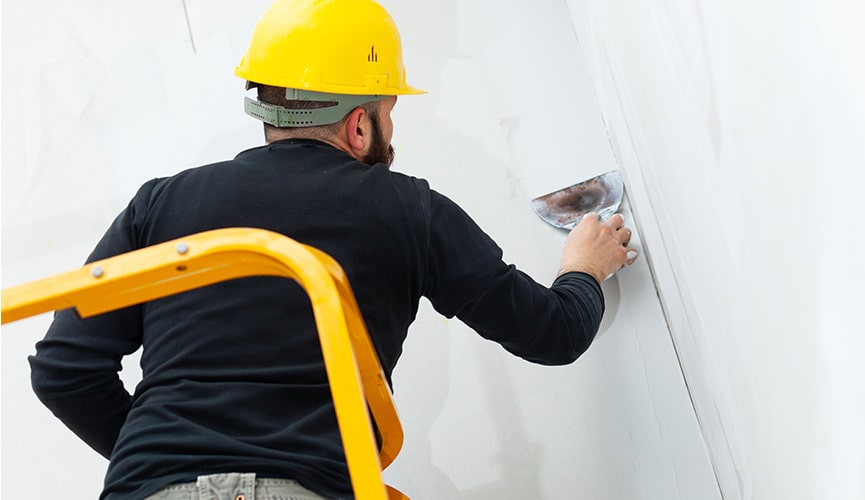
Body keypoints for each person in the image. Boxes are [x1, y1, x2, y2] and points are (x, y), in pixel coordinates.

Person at [26, 0, 638, 499]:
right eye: (389, 110)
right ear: (360, 124)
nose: (391, 130)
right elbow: (551, 334)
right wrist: (583, 269)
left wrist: (158, 461)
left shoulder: (159, 205)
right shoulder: (406, 208)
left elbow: (63, 370)